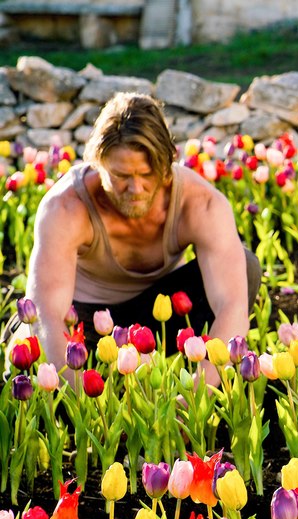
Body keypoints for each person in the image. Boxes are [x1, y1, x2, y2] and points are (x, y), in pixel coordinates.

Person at [22, 92, 261, 385]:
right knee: (29, 369)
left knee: (245, 267)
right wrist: (81, 400)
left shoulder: (199, 204)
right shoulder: (66, 207)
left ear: (168, 161)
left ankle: (178, 377)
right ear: (98, 163)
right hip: (83, 323)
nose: (135, 188)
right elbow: (47, 313)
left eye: (147, 174)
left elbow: (231, 305)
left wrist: (198, 402)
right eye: (121, 175)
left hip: (160, 320)